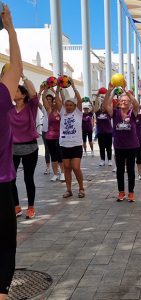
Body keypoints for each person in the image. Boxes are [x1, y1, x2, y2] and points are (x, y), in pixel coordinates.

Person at [0, 5, 22, 299]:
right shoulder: (1, 96)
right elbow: (16, 67)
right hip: (2, 183)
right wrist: (10, 29)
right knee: (4, 243)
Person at [103, 82, 140, 202]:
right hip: (119, 146)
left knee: (130, 170)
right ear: (118, 102)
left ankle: (131, 193)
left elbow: (136, 104)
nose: (123, 102)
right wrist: (110, 91)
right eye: (121, 100)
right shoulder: (115, 113)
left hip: (132, 146)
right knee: (119, 170)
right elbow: (105, 104)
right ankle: (121, 192)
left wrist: (125, 91)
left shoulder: (132, 113)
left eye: (126, 100)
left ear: (129, 102)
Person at [10, 72, 39, 219]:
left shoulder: (30, 107)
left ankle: (31, 208)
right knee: (11, 179)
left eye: (16, 90)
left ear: (23, 95)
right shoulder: (9, 108)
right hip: (12, 148)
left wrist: (23, 76)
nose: (13, 92)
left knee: (28, 178)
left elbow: (33, 93)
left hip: (30, 148)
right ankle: (16, 207)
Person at [56, 80, 85, 198]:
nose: (68, 107)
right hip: (64, 144)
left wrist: (73, 86)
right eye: (67, 105)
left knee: (76, 167)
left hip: (76, 144)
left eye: (71, 105)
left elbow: (78, 98)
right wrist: (58, 88)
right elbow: (57, 100)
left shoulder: (78, 112)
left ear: (74, 106)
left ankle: (81, 188)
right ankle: (69, 190)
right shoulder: (62, 112)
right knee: (67, 167)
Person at [42, 89, 65, 182]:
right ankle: (55, 174)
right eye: (53, 101)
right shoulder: (49, 110)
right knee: (53, 156)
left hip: (59, 137)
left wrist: (59, 90)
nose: (54, 102)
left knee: (60, 156)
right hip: (49, 137)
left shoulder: (61, 111)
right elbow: (43, 99)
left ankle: (62, 173)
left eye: (56, 101)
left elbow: (63, 99)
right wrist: (46, 89)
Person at [95, 88, 113, 166]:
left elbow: (109, 102)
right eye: (101, 106)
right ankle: (102, 160)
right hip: (100, 133)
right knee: (101, 147)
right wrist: (97, 95)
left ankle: (109, 160)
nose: (103, 107)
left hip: (108, 133)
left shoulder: (108, 112)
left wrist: (108, 94)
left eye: (104, 106)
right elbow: (96, 104)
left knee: (108, 147)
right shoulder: (97, 112)